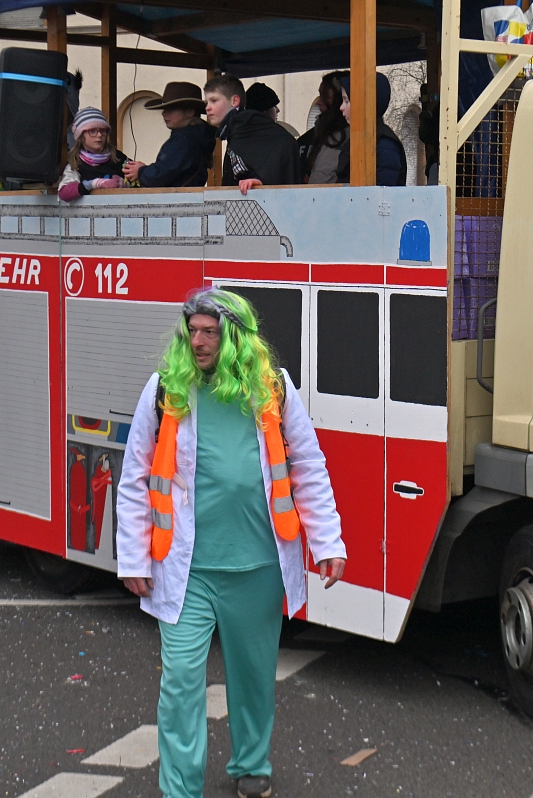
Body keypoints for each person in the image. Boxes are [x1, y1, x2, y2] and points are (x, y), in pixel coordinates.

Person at [116, 288, 346, 798]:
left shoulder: (273, 388)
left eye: (210, 332)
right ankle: (180, 789)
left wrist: (328, 542)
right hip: (186, 570)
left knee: (254, 678)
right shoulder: (166, 388)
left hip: (258, 567)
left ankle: (251, 764)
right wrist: (133, 557)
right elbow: (134, 476)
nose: (197, 341)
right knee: (180, 681)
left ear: (236, 338)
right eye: (192, 331)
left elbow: (308, 465)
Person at [206, 74, 300, 194]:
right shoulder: (235, 130)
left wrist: (262, 181)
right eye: (207, 102)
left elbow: (277, 160)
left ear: (234, 101)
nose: (207, 108)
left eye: (214, 101)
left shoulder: (244, 129)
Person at [123, 82, 219, 189]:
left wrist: (140, 171)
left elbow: (162, 175)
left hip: (178, 198)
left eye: (171, 109)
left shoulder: (184, 140)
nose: (164, 113)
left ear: (190, 111)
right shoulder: (195, 137)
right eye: (165, 109)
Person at [58, 107, 129, 201]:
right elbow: (64, 193)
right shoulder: (75, 163)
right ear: (80, 136)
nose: (99, 135)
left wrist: (126, 184)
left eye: (103, 131)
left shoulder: (118, 157)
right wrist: (93, 184)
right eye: (92, 131)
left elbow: (139, 180)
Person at [297, 71, 348, 184]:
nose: (319, 102)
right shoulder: (321, 132)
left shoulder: (339, 136)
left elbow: (323, 177)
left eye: (325, 96)